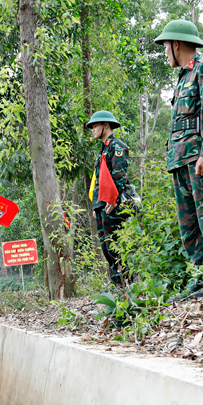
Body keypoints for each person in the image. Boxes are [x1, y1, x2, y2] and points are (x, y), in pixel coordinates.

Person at [154, 20, 203, 300]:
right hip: (180, 162)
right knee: (189, 226)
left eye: (166, 46)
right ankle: (201, 279)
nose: (165, 52)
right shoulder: (182, 77)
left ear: (176, 44)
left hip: (201, 160)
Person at [86, 110, 130, 287]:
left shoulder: (117, 147)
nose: (92, 129)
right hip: (102, 205)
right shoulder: (103, 149)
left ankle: (127, 282)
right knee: (106, 246)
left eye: (95, 125)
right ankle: (117, 284)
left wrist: (114, 200)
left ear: (106, 125)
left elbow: (119, 176)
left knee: (117, 244)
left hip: (113, 204)